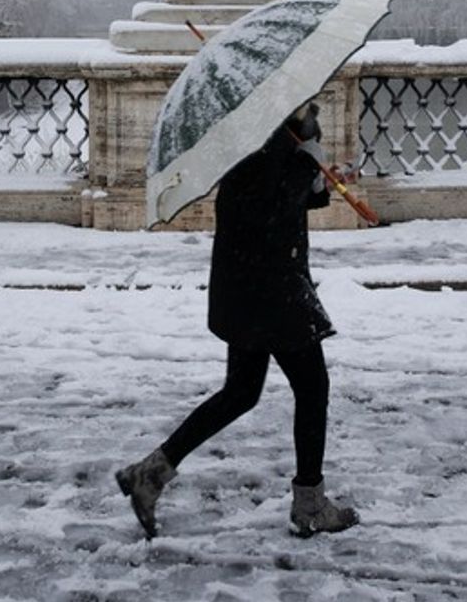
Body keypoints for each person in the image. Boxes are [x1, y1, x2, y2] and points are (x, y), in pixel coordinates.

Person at [115, 101, 359, 539]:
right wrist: (310, 163)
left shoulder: (272, 133)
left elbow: (288, 198)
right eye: (304, 100)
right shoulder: (256, 141)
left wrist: (322, 174)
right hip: (271, 289)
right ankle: (310, 505)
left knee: (241, 392)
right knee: (312, 387)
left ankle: (149, 474)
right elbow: (268, 203)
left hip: (253, 286)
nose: (311, 102)